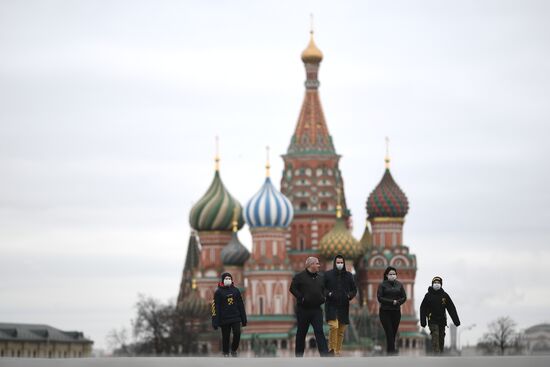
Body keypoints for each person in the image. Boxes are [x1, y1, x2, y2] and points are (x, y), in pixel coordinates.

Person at [289, 256, 329, 357]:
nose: (319, 265)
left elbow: (325, 289)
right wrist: (301, 297)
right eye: (317, 263)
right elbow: (292, 288)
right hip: (303, 310)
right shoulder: (299, 277)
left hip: (316, 310)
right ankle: (299, 356)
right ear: (311, 265)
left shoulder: (321, 277)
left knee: (319, 332)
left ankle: (325, 355)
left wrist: (323, 297)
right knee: (301, 333)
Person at [324, 254, 357, 356]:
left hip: (343, 305)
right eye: (338, 262)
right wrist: (329, 294)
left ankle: (337, 351)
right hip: (331, 305)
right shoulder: (328, 275)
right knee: (334, 326)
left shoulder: (349, 275)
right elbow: (323, 288)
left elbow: (354, 289)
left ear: (344, 263)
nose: (340, 264)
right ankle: (332, 349)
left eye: (341, 262)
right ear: (335, 263)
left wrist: (349, 296)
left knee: (341, 330)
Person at [420, 276, 460, 354]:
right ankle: (436, 354)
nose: (436, 284)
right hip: (432, 320)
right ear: (432, 284)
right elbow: (422, 308)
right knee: (435, 336)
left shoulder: (445, 296)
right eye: (435, 283)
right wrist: (423, 321)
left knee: (441, 339)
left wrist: (456, 321)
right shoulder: (428, 295)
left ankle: (440, 355)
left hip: (442, 321)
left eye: (438, 283)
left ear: (441, 284)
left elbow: (451, 308)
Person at [211, 272, 247, 357]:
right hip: (224, 318)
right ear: (223, 280)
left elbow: (241, 305)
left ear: (231, 280)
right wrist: (215, 321)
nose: (228, 280)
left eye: (229, 278)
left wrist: (244, 319)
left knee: (237, 333)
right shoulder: (218, 292)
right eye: (226, 279)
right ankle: (225, 352)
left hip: (235, 317)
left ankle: (234, 349)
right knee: (226, 336)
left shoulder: (236, 290)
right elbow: (215, 307)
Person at [377, 266, 407, 355]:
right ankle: (392, 352)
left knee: (393, 332)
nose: (392, 275)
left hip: (396, 312)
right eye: (390, 274)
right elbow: (379, 298)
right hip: (385, 312)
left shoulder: (399, 285)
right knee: (389, 331)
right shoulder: (382, 285)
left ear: (396, 275)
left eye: (394, 274)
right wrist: (391, 302)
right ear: (386, 275)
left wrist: (398, 302)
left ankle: (389, 351)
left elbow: (404, 297)